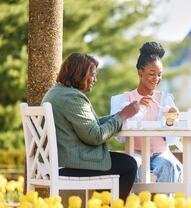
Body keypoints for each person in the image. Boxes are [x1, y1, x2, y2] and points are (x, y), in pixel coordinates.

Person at [42, 53, 139, 199]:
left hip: (57, 161)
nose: (95, 79)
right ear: (79, 74)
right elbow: (95, 136)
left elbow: (90, 124)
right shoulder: (72, 98)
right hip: (70, 165)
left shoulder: (56, 92)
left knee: (116, 163)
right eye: (92, 75)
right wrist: (123, 116)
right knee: (128, 165)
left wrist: (119, 114)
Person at [110, 41, 182, 183]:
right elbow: (119, 134)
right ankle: (137, 205)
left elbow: (173, 138)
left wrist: (170, 121)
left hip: (160, 153)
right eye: (152, 73)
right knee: (133, 167)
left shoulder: (165, 99)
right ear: (140, 71)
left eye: (160, 75)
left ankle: (164, 205)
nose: (156, 79)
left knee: (170, 165)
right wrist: (139, 109)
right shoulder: (124, 99)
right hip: (135, 153)